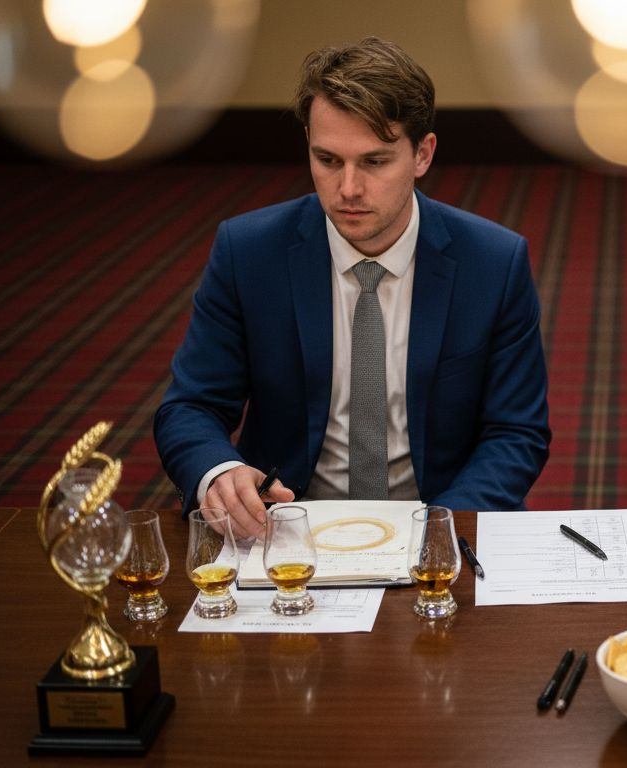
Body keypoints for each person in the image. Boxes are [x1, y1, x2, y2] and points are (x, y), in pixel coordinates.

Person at [155, 37, 550, 536]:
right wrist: (219, 471)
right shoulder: (249, 252)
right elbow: (192, 404)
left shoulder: (493, 262)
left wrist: (436, 530)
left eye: (375, 162)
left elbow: (516, 433)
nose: (347, 189)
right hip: (286, 530)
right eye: (328, 160)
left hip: (437, 521)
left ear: (422, 154)